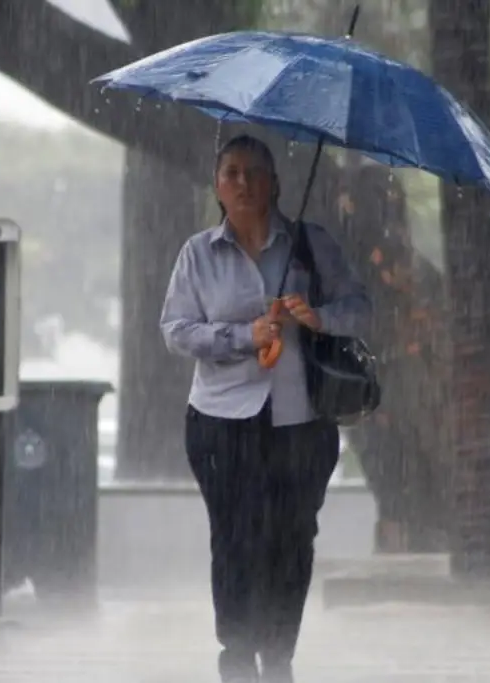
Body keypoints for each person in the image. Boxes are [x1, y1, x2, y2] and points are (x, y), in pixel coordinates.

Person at [160, 134, 371, 683]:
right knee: (233, 537)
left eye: (255, 172)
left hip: (301, 423)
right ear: (217, 185)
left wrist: (318, 317)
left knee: (292, 537)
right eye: (231, 172)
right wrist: (241, 335)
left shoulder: (310, 245)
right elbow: (176, 330)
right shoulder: (197, 254)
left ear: (275, 184)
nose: (243, 183)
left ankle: (278, 656)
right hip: (219, 422)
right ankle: (237, 655)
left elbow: (358, 307)